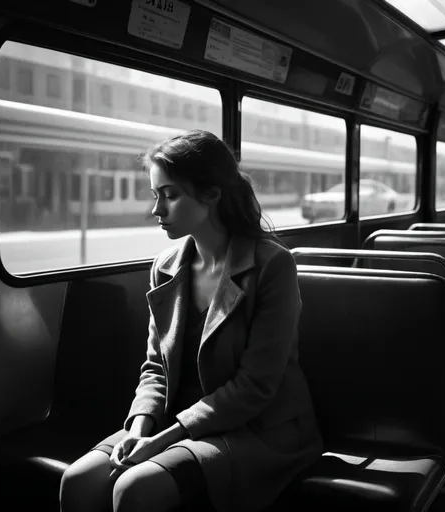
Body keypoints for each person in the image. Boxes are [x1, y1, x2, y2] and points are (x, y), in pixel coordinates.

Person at [59, 130, 323, 512]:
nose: (157, 210)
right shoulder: (166, 266)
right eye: (156, 196)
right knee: (79, 482)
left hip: (258, 428)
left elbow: (256, 385)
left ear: (212, 195)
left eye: (170, 195)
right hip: (176, 419)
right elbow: (155, 369)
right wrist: (139, 429)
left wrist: (164, 441)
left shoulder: (272, 265)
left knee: (135, 489)